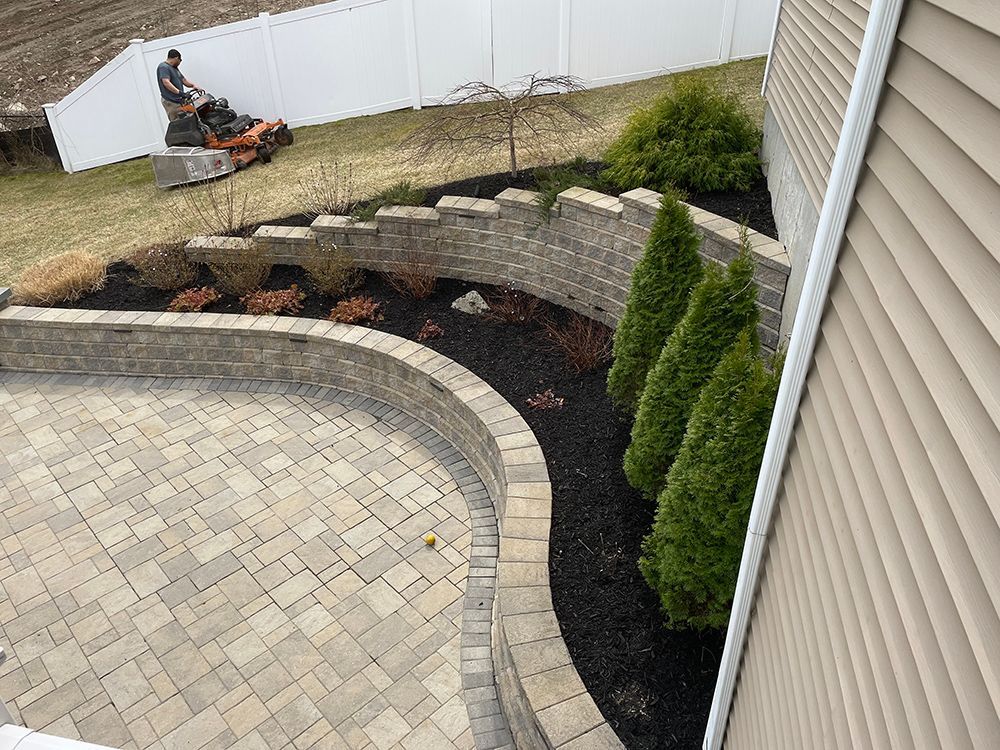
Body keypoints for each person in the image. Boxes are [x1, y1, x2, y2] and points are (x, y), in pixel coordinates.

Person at [157, 49, 199, 121]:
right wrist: (180, 93)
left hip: (179, 100)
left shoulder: (174, 68)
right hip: (171, 101)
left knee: (192, 116)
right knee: (178, 122)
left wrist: (193, 85)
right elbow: (166, 82)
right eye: (180, 60)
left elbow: (183, 80)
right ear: (176, 58)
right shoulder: (163, 67)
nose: (180, 62)